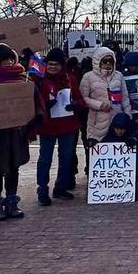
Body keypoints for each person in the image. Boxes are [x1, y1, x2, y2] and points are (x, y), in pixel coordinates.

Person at [0, 44, 38, 222]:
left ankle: (11, 201)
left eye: (11, 59)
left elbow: (33, 102)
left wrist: (30, 118)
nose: (9, 63)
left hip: (15, 134)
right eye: (5, 60)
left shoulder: (23, 81)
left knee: (13, 169)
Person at [33, 48, 85, 206]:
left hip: (67, 124)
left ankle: (60, 187)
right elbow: (32, 102)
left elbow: (80, 100)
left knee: (66, 157)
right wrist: (44, 105)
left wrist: (75, 105)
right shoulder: (40, 80)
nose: (52, 67)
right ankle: (42, 189)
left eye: (56, 64)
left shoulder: (70, 79)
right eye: (50, 64)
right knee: (45, 159)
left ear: (62, 66)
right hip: (47, 126)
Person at [82, 48, 125, 147]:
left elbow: (125, 99)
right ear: (98, 61)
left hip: (117, 121)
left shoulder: (119, 76)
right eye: (105, 61)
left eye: (111, 61)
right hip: (97, 122)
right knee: (97, 150)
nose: (108, 63)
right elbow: (83, 98)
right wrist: (99, 105)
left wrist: (127, 117)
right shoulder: (88, 77)